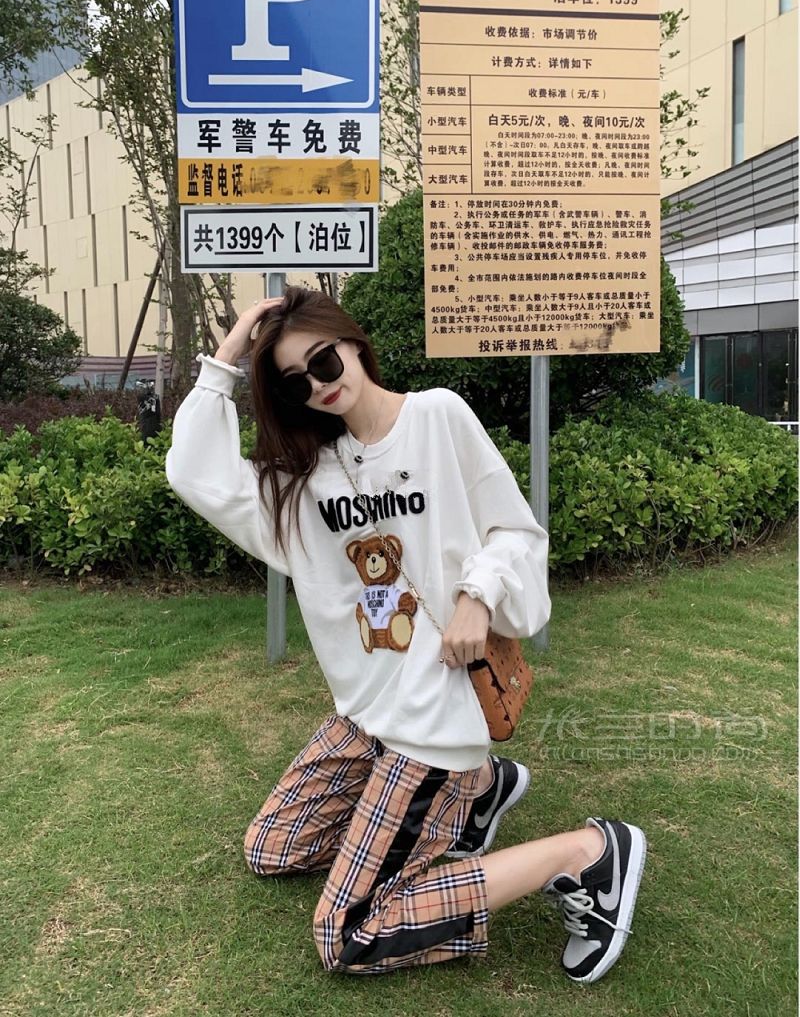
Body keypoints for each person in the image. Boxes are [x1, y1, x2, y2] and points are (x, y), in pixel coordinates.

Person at [165, 286, 646, 982]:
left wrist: (478, 595)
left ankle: (586, 855)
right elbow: (193, 473)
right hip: (366, 717)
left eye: (323, 361)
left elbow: (515, 531)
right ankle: (479, 791)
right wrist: (232, 349)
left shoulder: (437, 416)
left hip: (434, 715)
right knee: (272, 847)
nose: (317, 386)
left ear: (353, 344)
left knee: (347, 934)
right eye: (295, 382)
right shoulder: (305, 482)